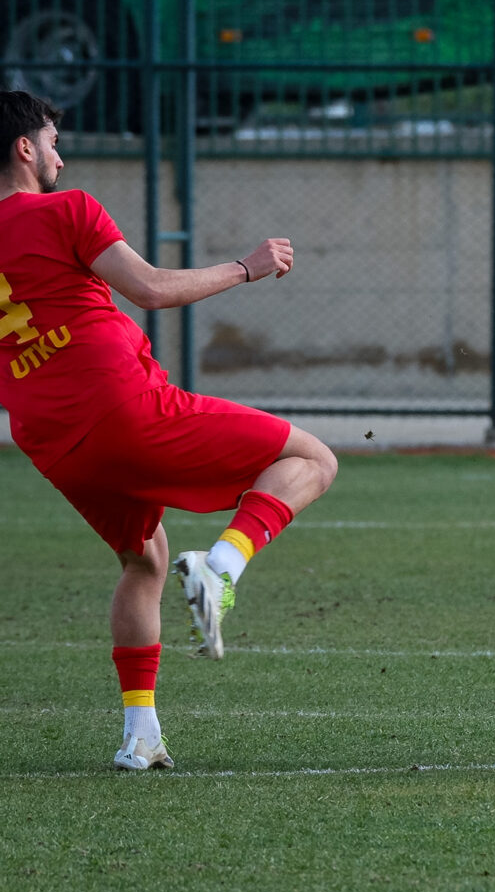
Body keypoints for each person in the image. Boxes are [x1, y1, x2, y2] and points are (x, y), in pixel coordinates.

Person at [0, 90, 339, 771]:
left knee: (144, 560)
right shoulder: (68, 209)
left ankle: (141, 735)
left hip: (53, 442)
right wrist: (247, 267)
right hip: (123, 406)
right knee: (315, 460)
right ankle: (222, 568)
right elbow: (150, 288)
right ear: (25, 147)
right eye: (54, 141)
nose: (61, 155)